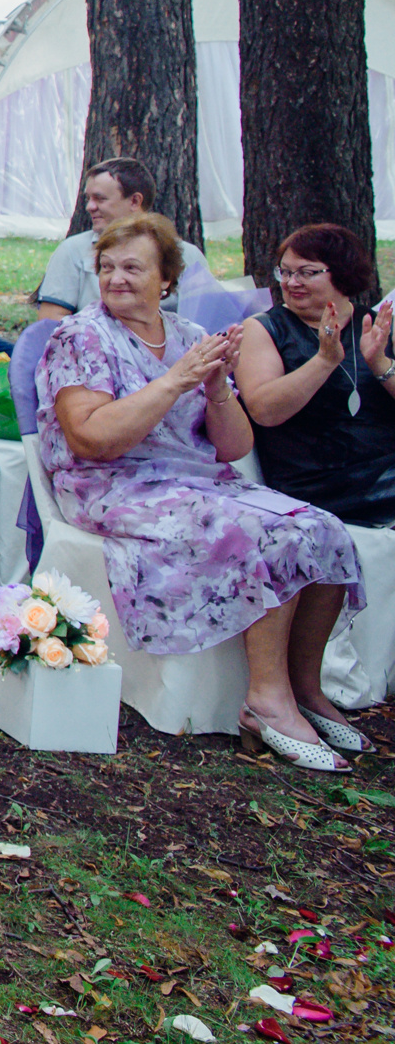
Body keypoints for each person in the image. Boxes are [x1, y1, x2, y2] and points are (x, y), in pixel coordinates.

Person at [37, 211, 365, 771]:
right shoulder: (81, 336)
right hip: (113, 485)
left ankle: (304, 689)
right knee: (266, 533)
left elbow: (233, 447)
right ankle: (265, 701)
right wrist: (176, 380)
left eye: (133, 268)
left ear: (166, 278)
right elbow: (92, 440)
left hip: (195, 481)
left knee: (323, 528)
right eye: (107, 267)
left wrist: (215, 389)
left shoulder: (189, 336)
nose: (116, 278)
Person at [237, 223, 395, 531]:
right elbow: (264, 410)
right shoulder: (263, 329)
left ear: (343, 274)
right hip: (318, 483)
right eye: (285, 272)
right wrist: (324, 361)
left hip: (385, 469)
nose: (291, 282)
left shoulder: (375, 326)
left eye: (306, 273)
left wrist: (380, 364)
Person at [35, 157, 191, 321]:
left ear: (135, 201)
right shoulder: (73, 251)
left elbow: (201, 319)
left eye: (100, 199)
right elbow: (50, 321)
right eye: (106, 266)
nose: (89, 207)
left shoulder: (187, 255)